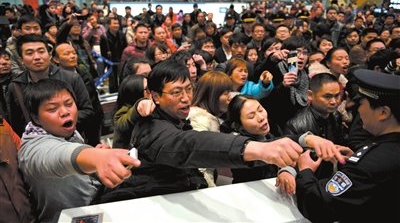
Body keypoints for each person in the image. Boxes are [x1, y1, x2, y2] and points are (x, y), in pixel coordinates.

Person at [100, 59, 344, 202]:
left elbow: (263, 139)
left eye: (188, 89)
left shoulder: (177, 116)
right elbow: (190, 144)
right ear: (155, 96)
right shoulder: (152, 127)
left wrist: (306, 138)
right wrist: (256, 149)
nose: (186, 99)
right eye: (176, 93)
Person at [18, 79, 141, 222]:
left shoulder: (68, 132)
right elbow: (59, 156)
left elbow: (78, 154)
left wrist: (95, 160)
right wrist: (96, 158)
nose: (64, 112)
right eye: (52, 109)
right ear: (35, 118)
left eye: (69, 104)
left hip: (97, 205)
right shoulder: (32, 150)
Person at [296, 69, 400, 222]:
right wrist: (353, 162)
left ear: (383, 112)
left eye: (362, 103)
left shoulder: (369, 165)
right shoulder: (381, 151)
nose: (358, 109)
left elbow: (318, 205)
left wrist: (305, 171)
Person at [8, 34, 94, 136]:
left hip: (70, 139)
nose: (37, 57)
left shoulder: (71, 78)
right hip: (36, 143)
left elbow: (87, 111)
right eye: (30, 53)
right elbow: (15, 123)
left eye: (41, 51)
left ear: (49, 55)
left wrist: (57, 122)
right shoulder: (16, 87)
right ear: (21, 60)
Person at [188, 71, 233, 186]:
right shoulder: (201, 119)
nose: (230, 97)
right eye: (226, 93)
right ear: (212, 96)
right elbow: (200, 166)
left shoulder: (210, 117)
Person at [223, 95, 278, 183]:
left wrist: (286, 170)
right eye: (251, 116)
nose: (261, 118)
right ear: (239, 126)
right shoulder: (239, 149)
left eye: (260, 110)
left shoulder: (272, 132)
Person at [113, 74, 151, 149]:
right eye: (148, 88)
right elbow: (123, 123)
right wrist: (138, 107)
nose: (152, 91)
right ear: (136, 92)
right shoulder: (121, 114)